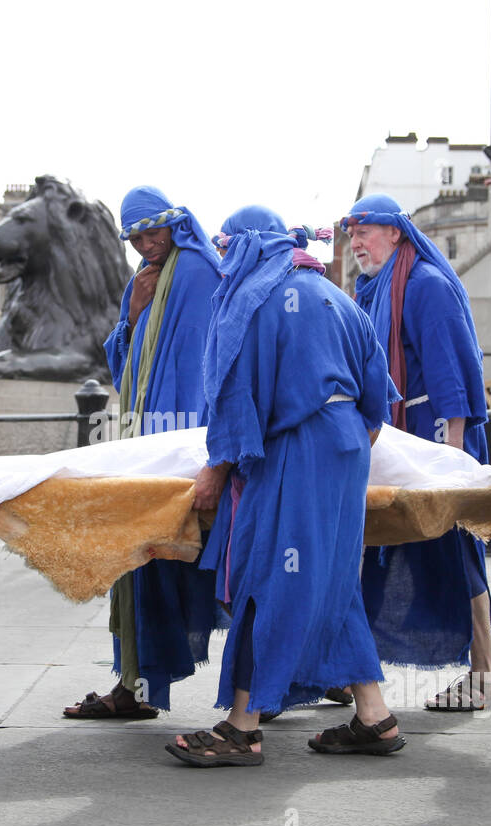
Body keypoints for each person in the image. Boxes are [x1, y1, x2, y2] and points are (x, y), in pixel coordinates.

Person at [167, 206, 403, 767]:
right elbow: (378, 405)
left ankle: (242, 727)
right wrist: (338, 455)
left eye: (227, 249)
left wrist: (215, 470)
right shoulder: (340, 298)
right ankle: (375, 718)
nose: (223, 262)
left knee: (268, 575)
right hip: (346, 447)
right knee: (334, 577)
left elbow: (235, 397)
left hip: (297, 449)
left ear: (248, 247)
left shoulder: (253, 301)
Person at [62, 185, 221, 719]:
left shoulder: (197, 271)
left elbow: (204, 365)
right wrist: (131, 312)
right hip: (148, 443)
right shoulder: (145, 280)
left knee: (202, 565)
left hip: (183, 450)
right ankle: (135, 685)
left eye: (153, 231)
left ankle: (283, 683)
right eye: (136, 237)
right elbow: (125, 364)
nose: (146, 244)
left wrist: (201, 454)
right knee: (141, 561)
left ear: (174, 224)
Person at [343, 194, 491, 712]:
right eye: (351, 234)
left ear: (396, 233)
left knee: (457, 551)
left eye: (365, 230)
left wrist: (452, 461)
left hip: (436, 439)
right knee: (368, 547)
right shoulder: (371, 291)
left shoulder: (427, 286)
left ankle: (486, 676)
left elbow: (454, 372)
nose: (357, 241)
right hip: (394, 437)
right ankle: (352, 672)